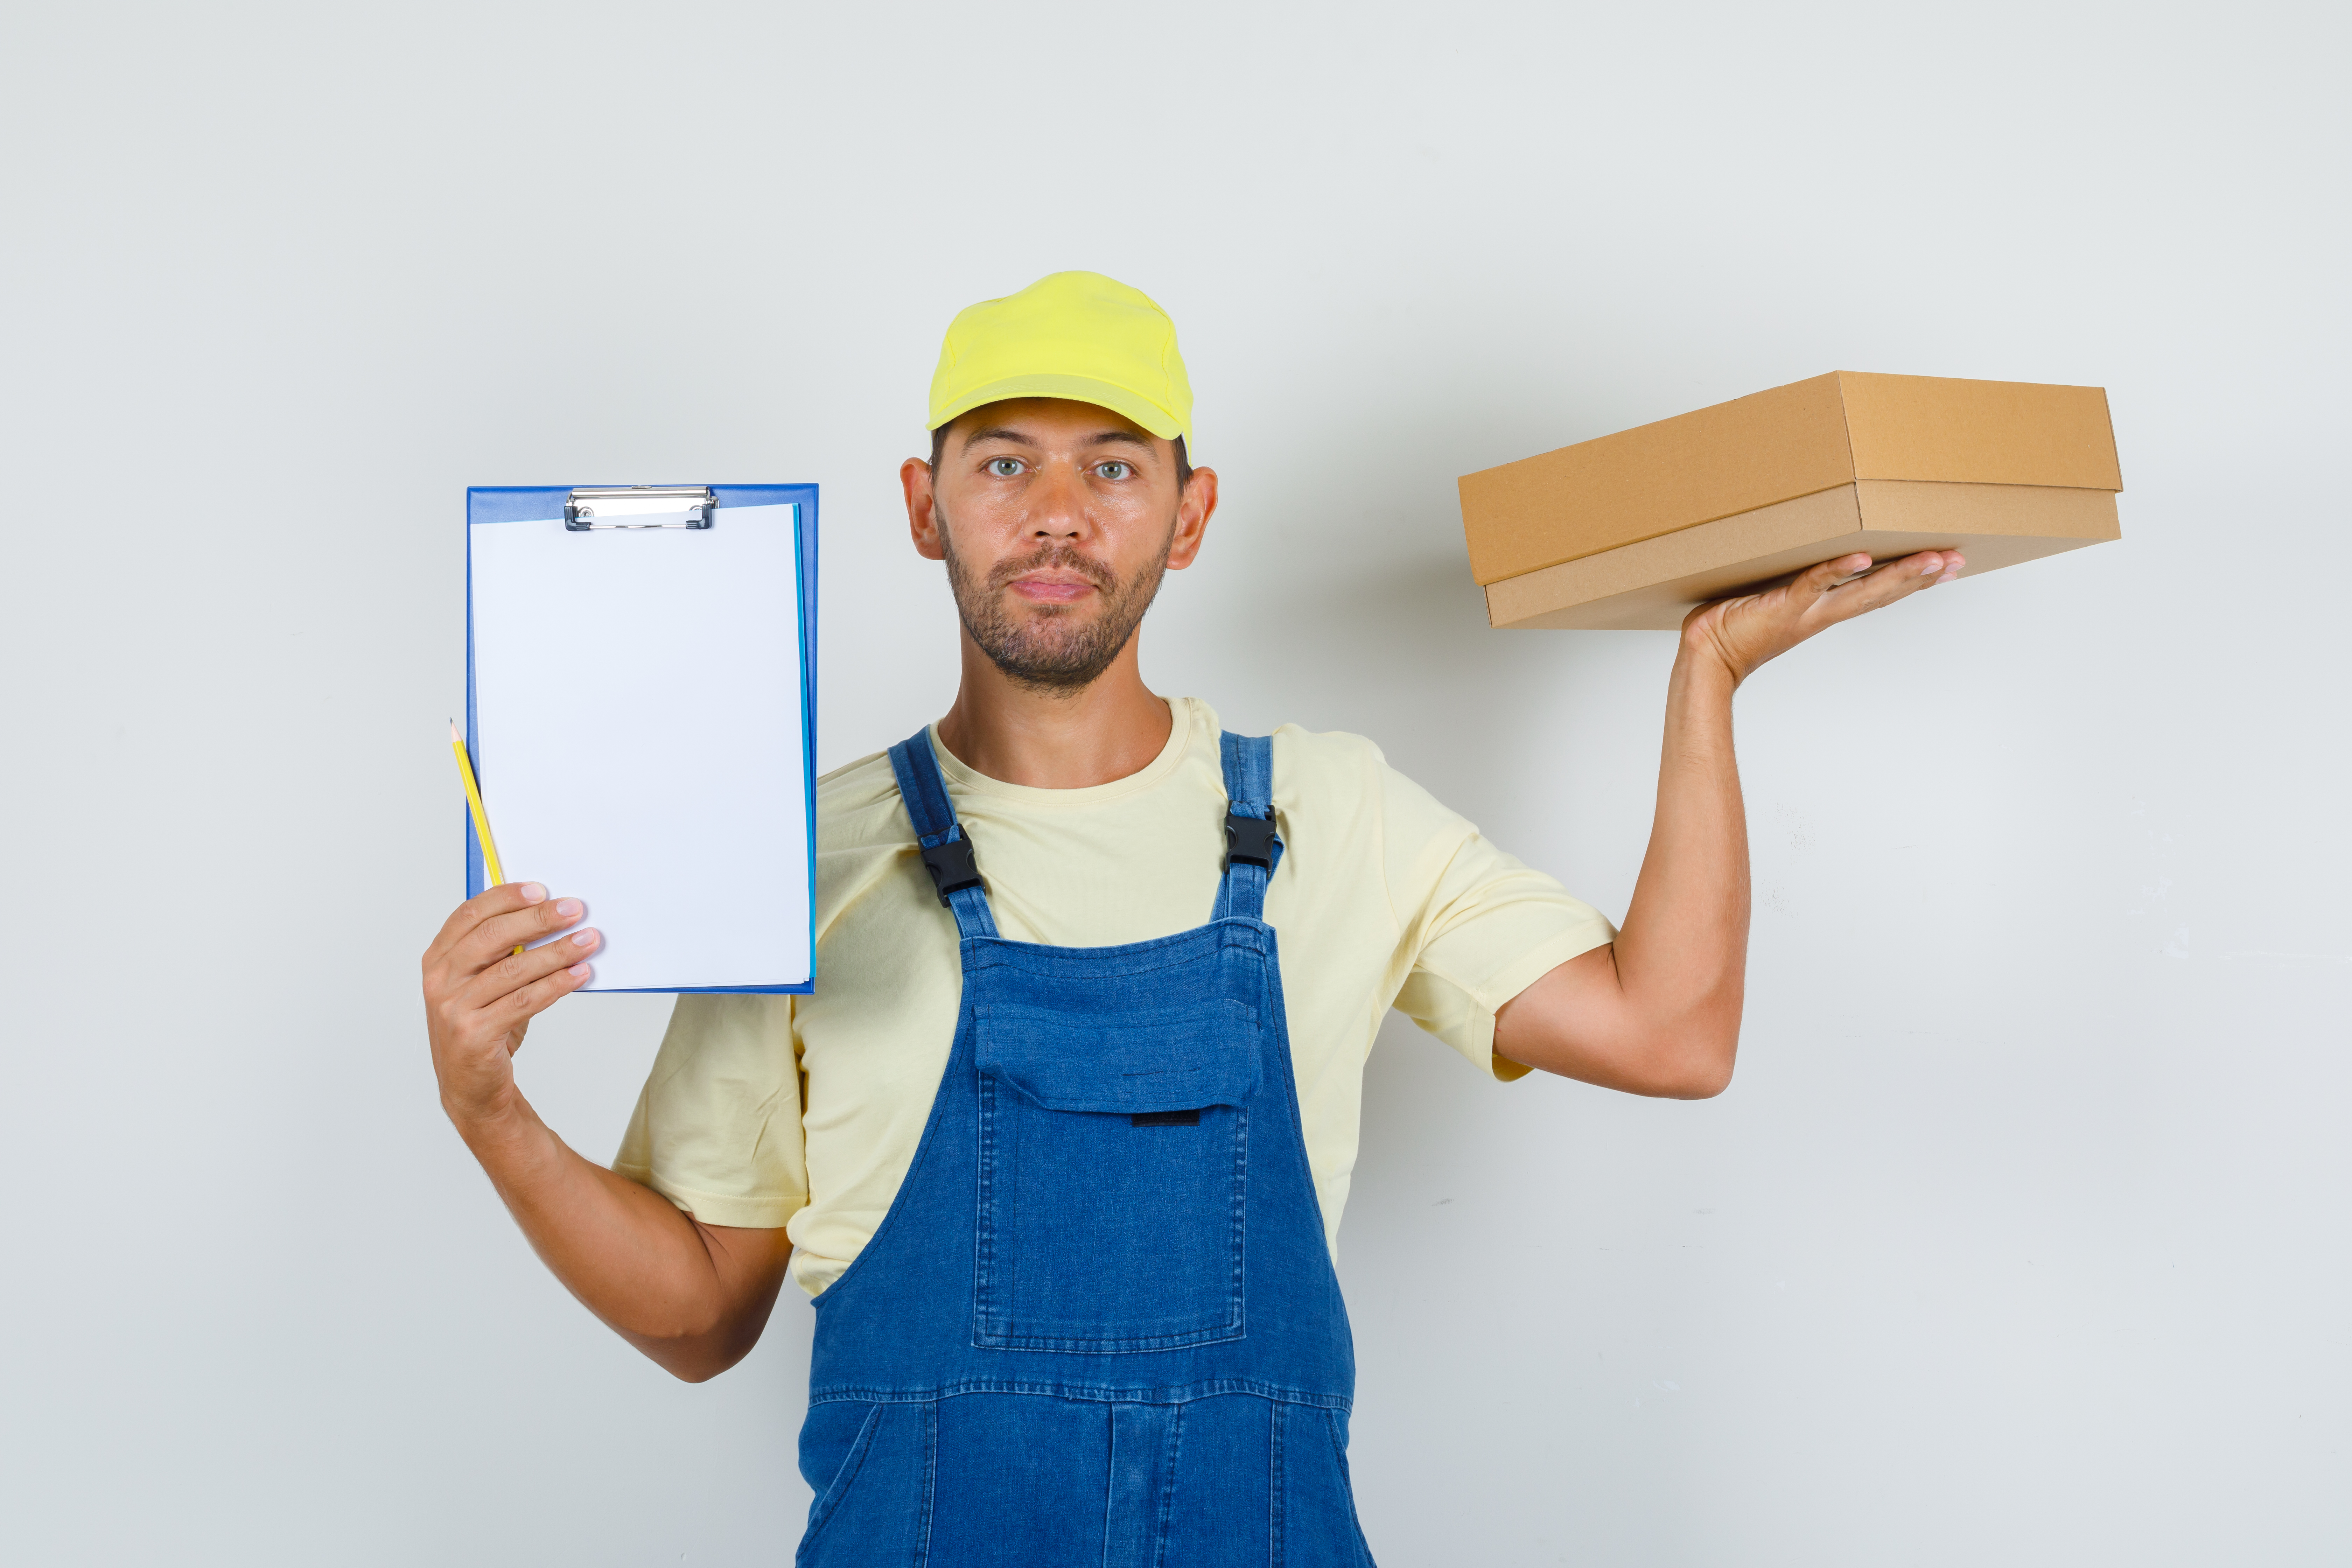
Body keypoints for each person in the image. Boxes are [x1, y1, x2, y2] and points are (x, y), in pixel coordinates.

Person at [420, 271, 1964, 1565]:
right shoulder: (804, 855)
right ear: (923, 503)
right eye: (1003, 460)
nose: (1055, 513)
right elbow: (699, 1314)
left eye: (1113, 464)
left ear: (1190, 508)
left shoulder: (1330, 816)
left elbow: (1672, 1030)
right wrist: (490, 1105)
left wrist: (1710, 675)